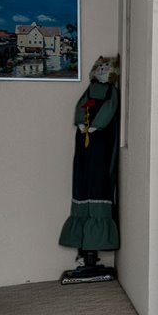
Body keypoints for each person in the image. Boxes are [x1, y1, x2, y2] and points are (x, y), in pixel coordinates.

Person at [59, 55, 120, 283]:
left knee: (97, 180)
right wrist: (82, 123)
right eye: (100, 67)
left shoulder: (110, 92)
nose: (103, 70)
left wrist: (96, 125)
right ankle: (85, 250)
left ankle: (95, 249)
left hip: (100, 141)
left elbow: (110, 109)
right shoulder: (91, 89)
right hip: (84, 140)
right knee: (82, 179)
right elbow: (79, 107)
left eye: (107, 67)